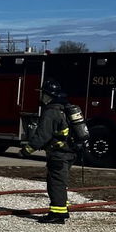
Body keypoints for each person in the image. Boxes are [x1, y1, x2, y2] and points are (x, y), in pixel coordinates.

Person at [21, 79, 76, 224]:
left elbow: (42, 136)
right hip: (69, 152)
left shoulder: (51, 111)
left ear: (48, 95)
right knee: (61, 182)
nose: (41, 97)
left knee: (55, 183)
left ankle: (57, 214)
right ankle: (62, 208)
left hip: (59, 154)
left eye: (43, 94)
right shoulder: (65, 108)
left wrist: (26, 151)